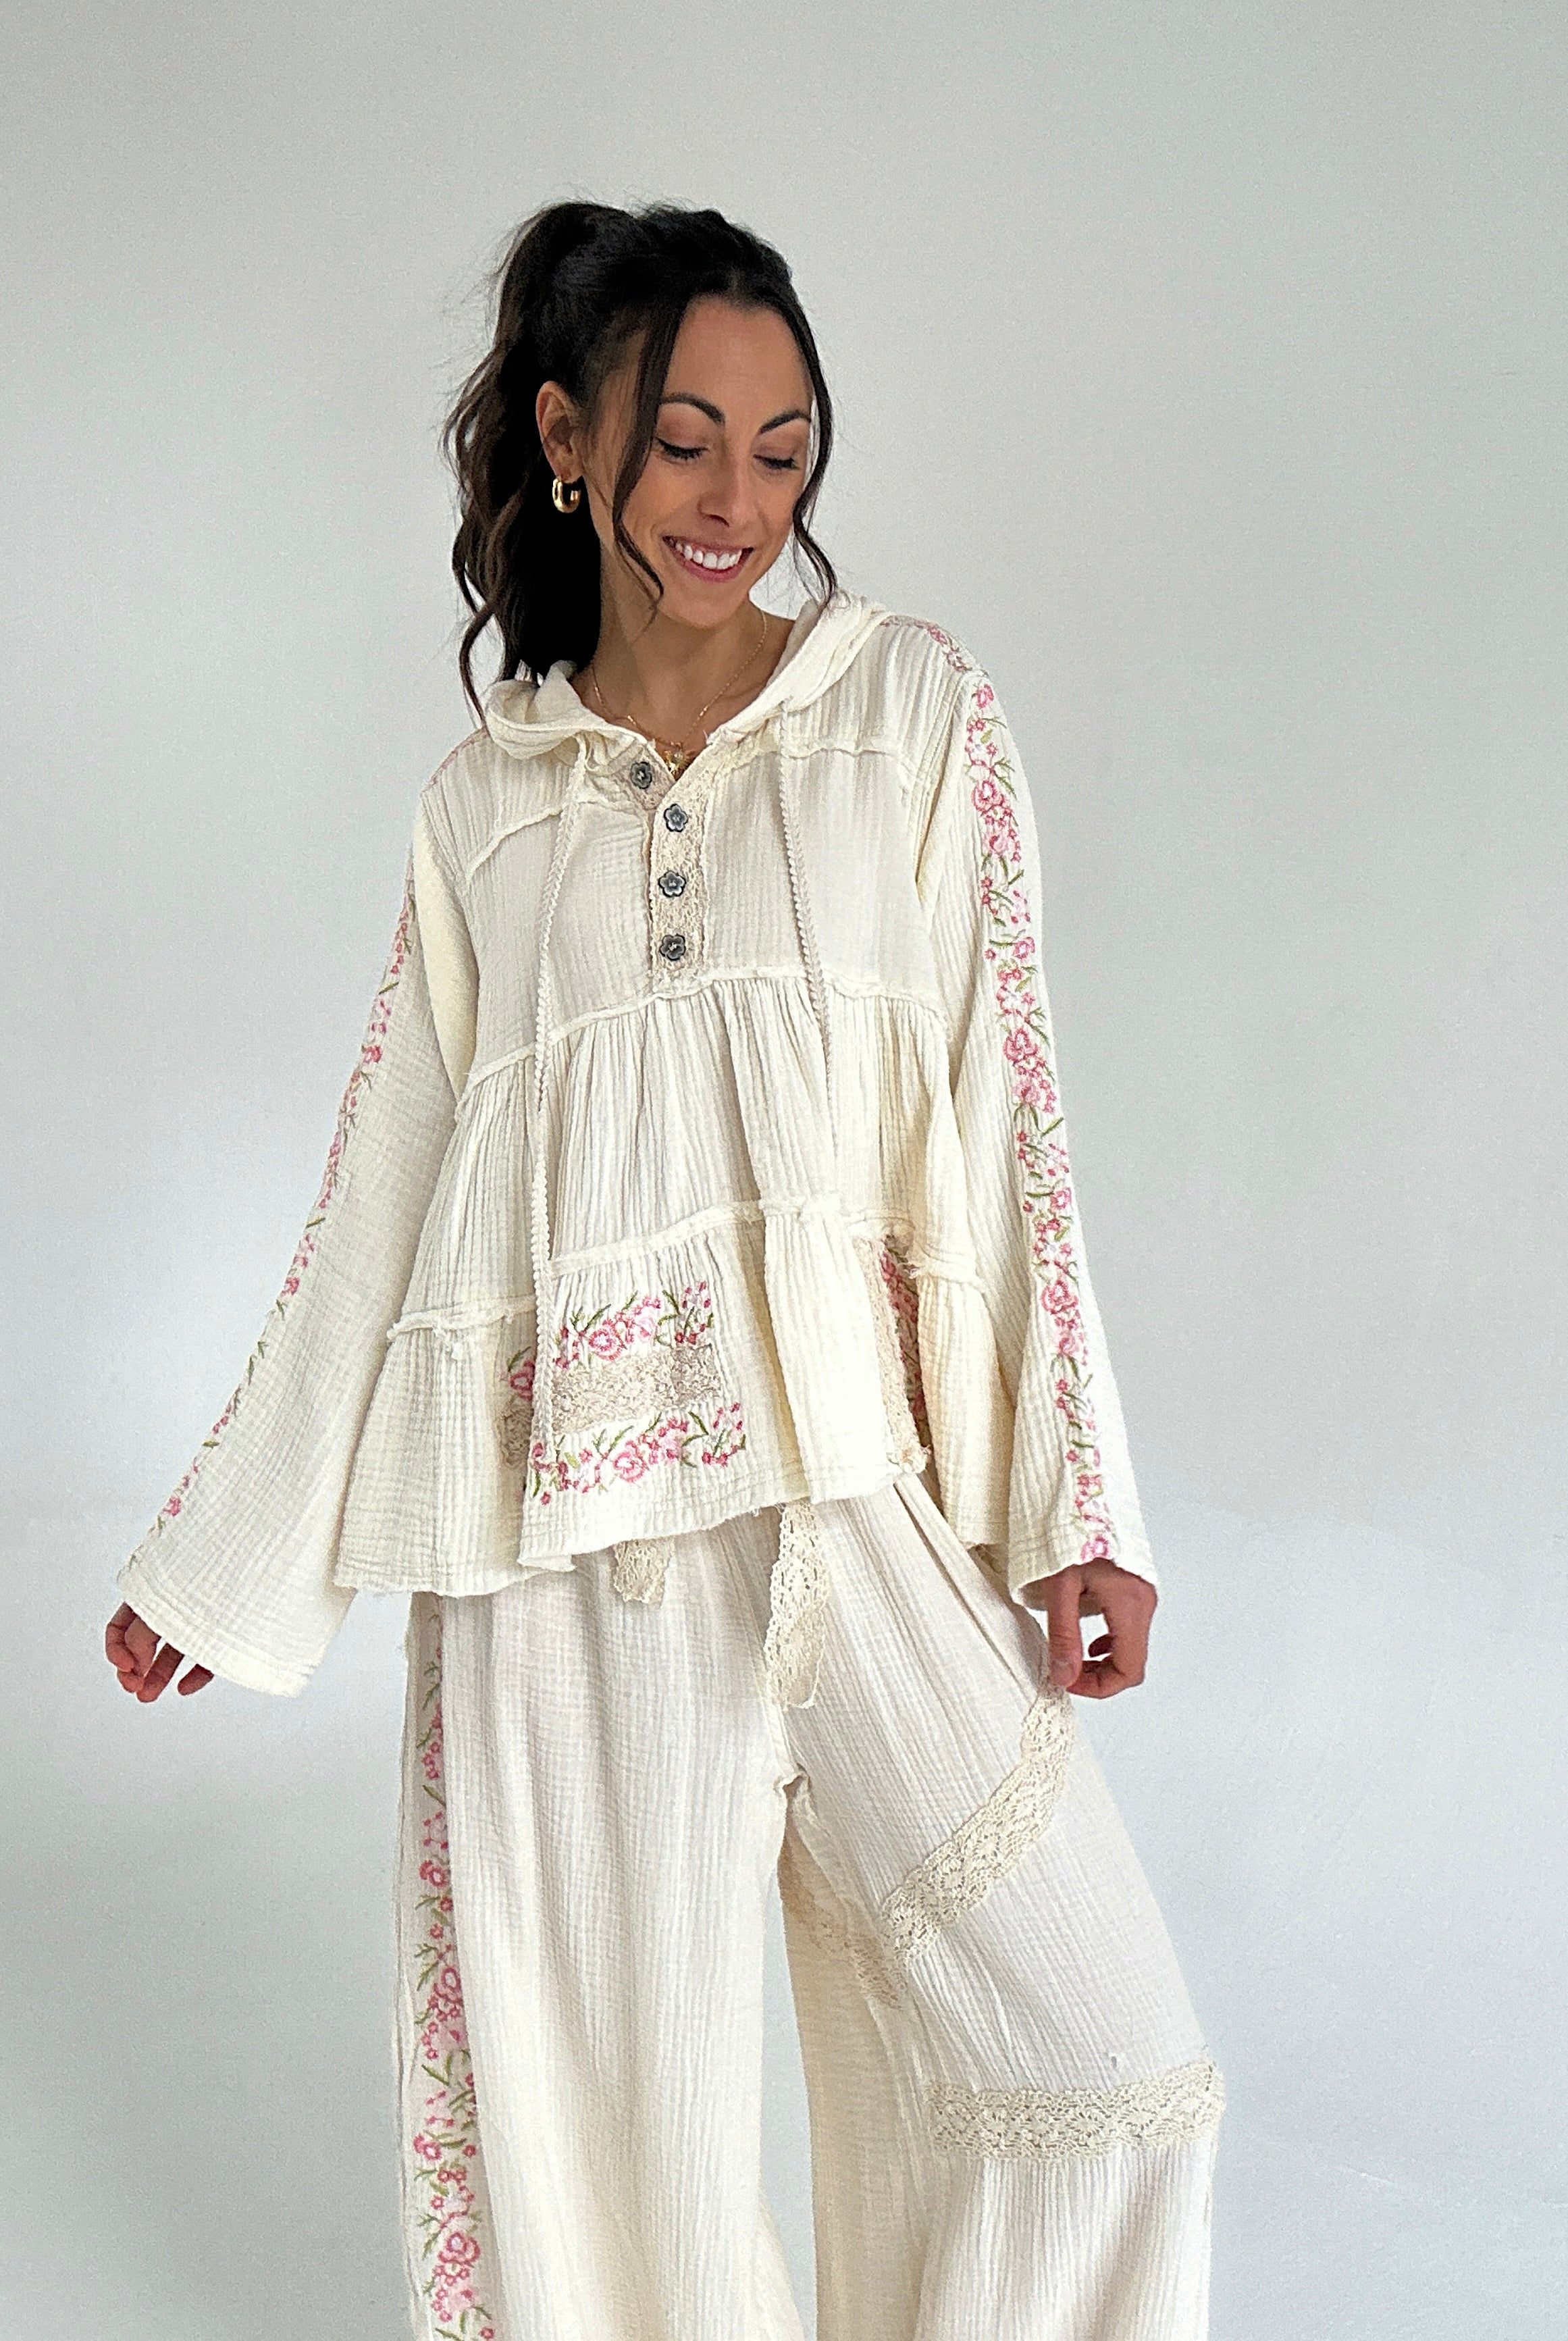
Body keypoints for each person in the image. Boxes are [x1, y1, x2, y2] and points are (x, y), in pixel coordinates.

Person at [105, 198, 1223, 2340]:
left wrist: (1085, 1502)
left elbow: (1012, 1116)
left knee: (1102, 2073)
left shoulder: (911, 716)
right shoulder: (484, 811)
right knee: (625, 2203)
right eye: (688, 437)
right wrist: (221, 1562)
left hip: (846, 1502)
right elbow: (386, 1201)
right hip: (561, 1559)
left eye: (784, 448)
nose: (737, 499)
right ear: (567, 439)